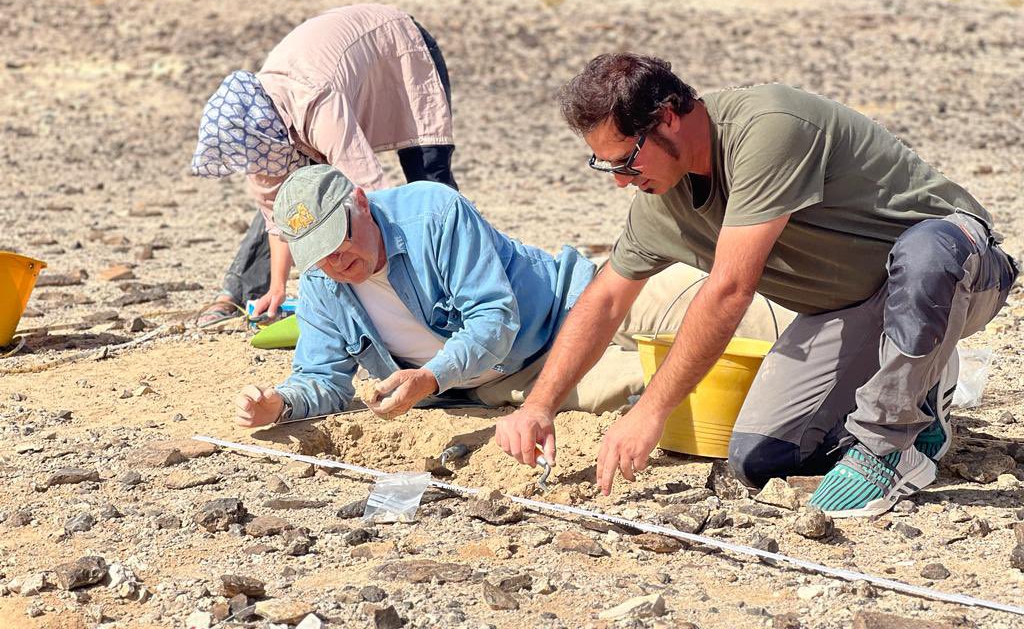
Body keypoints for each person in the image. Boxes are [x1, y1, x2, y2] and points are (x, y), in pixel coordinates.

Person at [495, 53, 1019, 518]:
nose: (619, 181)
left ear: (667, 118)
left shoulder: (768, 127)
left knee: (924, 253)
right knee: (760, 459)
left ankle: (887, 445)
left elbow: (729, 290)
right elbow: (607, 297)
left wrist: (649, 413)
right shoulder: (661, 196)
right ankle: (920, 388)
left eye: (625, 162)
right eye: (604, 166)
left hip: (960, 268)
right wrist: (539, 404)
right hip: (854, 306)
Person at [231, 165, 781, 428]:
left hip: (578, 295)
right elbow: (321, 377)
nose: (335, 262)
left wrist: (429, 378)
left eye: (339, 240)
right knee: (685, 379)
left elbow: (494, 318)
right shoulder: (326, 283)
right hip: (518, 381)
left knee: (742, 308)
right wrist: (278, 404)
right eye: (318, 255)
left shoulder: (432, 212)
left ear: (360, 201)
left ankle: (853, 326)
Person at [191, 4, 458, 327]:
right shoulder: (255, 132)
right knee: (302, 195)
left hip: (400, 44)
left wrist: (387, 282)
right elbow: (279, 216)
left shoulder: (318, 104)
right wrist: (278, 287)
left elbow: (370, 192)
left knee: (429, 175)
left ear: (273, 129)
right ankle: (249, 289)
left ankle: (452, 281)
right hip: (333, 69)